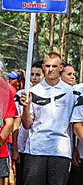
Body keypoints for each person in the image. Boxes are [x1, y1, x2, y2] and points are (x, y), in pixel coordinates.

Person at [20, 52, 76, 185]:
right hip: (36, 150)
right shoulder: (33, 91)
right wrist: (26, 108)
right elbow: (27, 124)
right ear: (43, 67)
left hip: (61, 151)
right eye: (47, 66)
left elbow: (74, 125)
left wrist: (75, 149)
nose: (50, 69)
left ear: (60, 68)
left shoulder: (71, 92)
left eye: (54, 66)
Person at [11, 61, 44, 185]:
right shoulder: (21, 95)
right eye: (32, 74)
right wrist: (15, 147)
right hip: (22, 144)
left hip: (38, 147)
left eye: (38, 74)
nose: (34, 77)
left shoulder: (49, 95)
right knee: (21, 178)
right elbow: (16, 120)